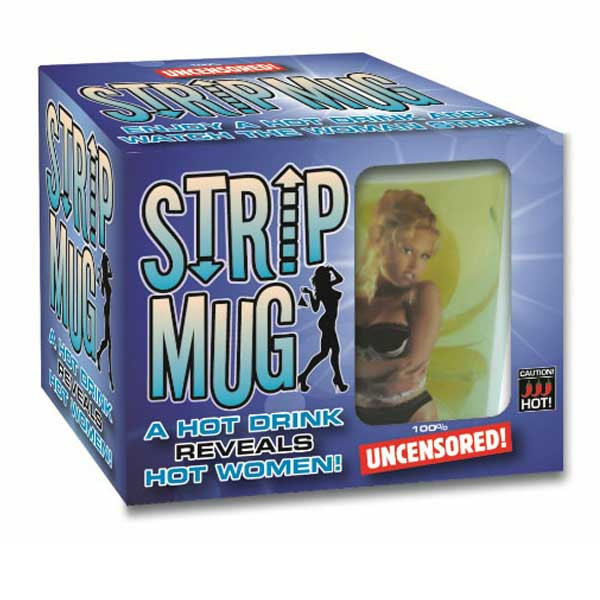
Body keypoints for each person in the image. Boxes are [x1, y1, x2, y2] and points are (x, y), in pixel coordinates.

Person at [356, 189, 442, 424]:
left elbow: (410, 369)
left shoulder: (422, 294)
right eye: (407, 250)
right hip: (357, 417)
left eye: (425, 256)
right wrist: (390, 368)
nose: (415, 266)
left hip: (411, 413)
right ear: (381, 242)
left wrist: (357, 372)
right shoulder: (352, 295)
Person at [298, 265, 348, 393]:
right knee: (332, 351)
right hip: (327, 323)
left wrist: (311, 293)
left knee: (326, 353)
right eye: (328, 275)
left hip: (328, 322)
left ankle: (304, 376)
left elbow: (340, 279)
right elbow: (315, 308)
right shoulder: (324, 288)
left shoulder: (324, 288)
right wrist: (310, 294)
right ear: (324, 277)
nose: (330, 276)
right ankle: (337, 380)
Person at [96, 252, 114, 392]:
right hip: (108, 312)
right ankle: (110, 378)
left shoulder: (105, 281)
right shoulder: (105, 283)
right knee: (108, 342)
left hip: (108, 312)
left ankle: (99, 354)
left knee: (107, 341)